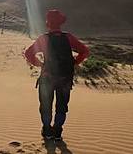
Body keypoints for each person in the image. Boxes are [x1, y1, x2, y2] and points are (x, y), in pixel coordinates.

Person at [24, 10, 89, 141]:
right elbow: (85, 51)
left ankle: (47, 130)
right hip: (65, 78)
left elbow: (28, 53)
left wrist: (40, 64)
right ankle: (57, 132)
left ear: (48, 23)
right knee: (61, 107)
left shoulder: (44, 38)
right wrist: (75, 62)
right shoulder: (68, 37)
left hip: (47, 77)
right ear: (61, 23)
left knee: (46, 105)